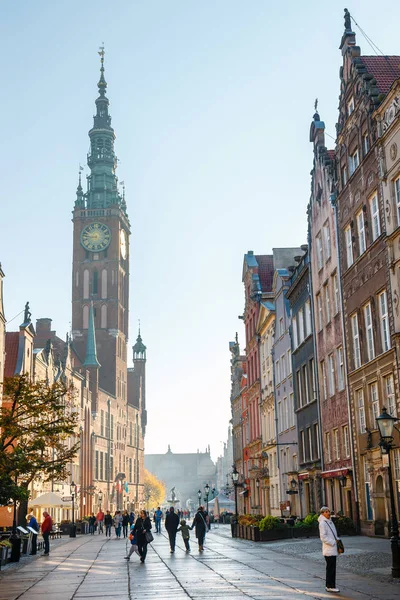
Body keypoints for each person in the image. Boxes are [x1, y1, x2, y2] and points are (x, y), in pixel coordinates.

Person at [318, 506, 341, 593]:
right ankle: (330, 586)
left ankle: (331, 585)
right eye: (326, 511)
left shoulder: (329, 522)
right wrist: (333, 542)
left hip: (332, 549)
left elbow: (334, 534)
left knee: (332, 568)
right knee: (330, 569)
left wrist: (337, 542)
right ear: (322, 513)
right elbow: (323, 537)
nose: (328, 513)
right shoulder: (323, 523)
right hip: (329, 549)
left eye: (329, 511)